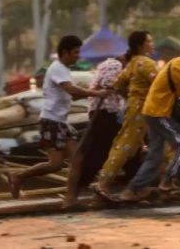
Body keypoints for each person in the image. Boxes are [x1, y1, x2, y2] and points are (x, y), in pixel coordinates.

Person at [119, 34, 180, 202]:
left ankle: (133, 190)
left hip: (152, 110)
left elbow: (173, 90)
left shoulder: (178, 62)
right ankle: (167, 182)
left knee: (155, 155)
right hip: (158, 112)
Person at [9, 35, 110, 199]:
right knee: (55, 164)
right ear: (65, 52)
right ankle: (18, 176)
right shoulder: (57, 68)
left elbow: (72, 96)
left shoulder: (64, 70)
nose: (78, 56)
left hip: (61, 122)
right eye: (76, 52)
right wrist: (97, 93)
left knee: (77, 159)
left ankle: (71, 198)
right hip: (51, 122)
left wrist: (97, 92)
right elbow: (71, 90)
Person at [93, 31, 157, 199]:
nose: (152, 44)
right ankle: (103, 183)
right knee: (126, 145)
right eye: (149, 41)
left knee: (151, 146)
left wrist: (130, 95)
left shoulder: (132, 63)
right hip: (144, 110)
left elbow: (117, 84)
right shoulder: (146, 63)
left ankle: (150, 185)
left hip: (136, 108)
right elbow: (159, 83)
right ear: (140, 45)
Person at [62, 56, 126, 207]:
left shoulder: (112, 64)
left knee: (115, 151)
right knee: (99, 153)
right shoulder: (114, 64)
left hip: (110, 114)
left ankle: (122, 186)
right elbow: (108, 84)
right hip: (105, 113)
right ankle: (77, 192)